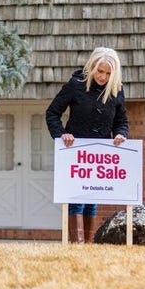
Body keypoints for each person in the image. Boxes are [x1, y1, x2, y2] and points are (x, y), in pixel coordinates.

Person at [45, 47, 129, 244]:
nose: (103, 76)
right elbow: (52, 113)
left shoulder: (116, 89)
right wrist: (61, 135)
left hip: (100, 156)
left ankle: (88, 246)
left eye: (108, 73)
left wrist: (120, 135)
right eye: (100, 71)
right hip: (75, 152)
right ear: (92, 67)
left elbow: (121, 122)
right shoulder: (76, 85)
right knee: (77, 200)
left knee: (91, 201)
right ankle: (76, 246)